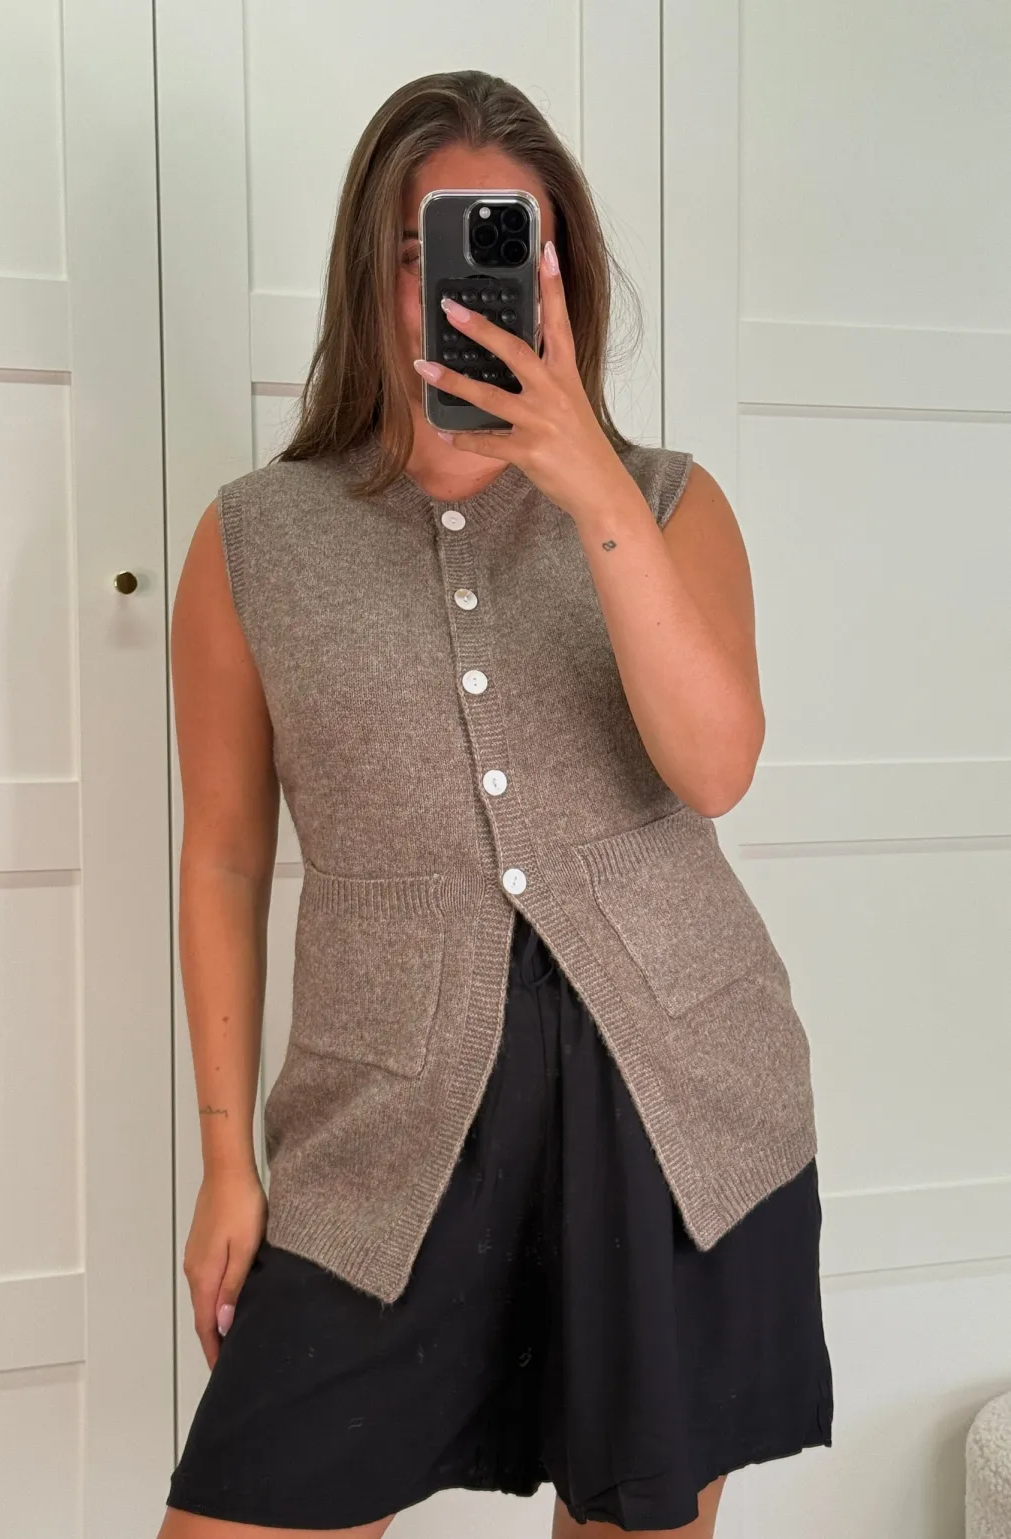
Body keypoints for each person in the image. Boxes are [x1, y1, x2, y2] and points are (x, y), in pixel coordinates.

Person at [160, 69, 833, 1539]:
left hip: (678, 1122)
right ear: (375, 269)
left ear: (561, 275)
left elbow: (716, 768)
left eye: (509, 246)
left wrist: (588, 485)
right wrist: (224, 1162)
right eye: (431, 248)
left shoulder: (666, 503)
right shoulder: (253, 539)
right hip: (383, 1141)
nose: (463, 285)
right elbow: (221, 857)